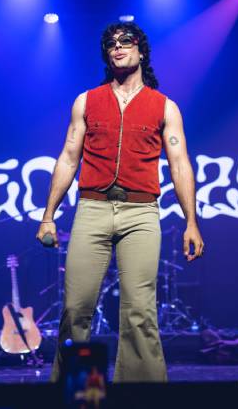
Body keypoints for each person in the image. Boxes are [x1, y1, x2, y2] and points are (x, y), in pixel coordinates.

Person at [37, 22, 204, 382]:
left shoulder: (165, 107)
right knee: (75, 309)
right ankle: (74, 392)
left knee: (139, 312)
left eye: (125, 41)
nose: (117, 47)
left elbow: (180, 164)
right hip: (92, 209)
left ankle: (139, 396)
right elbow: (68, 158)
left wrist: (191, 221)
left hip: (141, 213)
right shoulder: (87, 101)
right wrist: (48, 215)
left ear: (141, 51)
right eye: (111, 44)